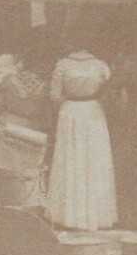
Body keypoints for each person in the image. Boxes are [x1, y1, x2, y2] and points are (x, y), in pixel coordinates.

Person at [46, 50, 118, 231]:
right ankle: (97, 216)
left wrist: (65, 106)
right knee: (94, 162)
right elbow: (109, 92)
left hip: (69, 111)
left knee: (72, 160)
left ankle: (69, 215)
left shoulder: (63, 65)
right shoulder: (100, 66)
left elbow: (54, 96)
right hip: (93, 111)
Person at [0, 53, 51, 209]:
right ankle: (31, 205)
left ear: (16, 65)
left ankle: (0, 207)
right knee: (30, 171)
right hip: (33, 129)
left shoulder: (4, 83)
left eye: (0, 67)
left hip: (9, 129)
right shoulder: (37, 82)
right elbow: (45, 109)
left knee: (6, 172)